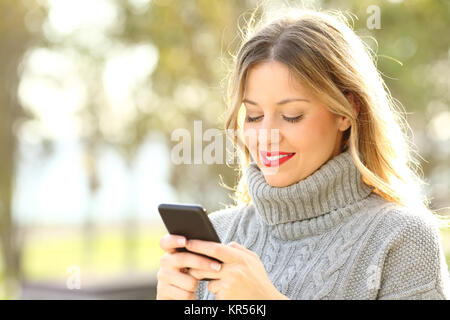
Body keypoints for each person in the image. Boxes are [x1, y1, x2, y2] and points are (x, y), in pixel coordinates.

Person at [156, 8, 450, 300]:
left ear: (347, 111)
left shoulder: (402, 237)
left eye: (292, 115)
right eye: (254, 116)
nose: (267, 136)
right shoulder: (218, 235)